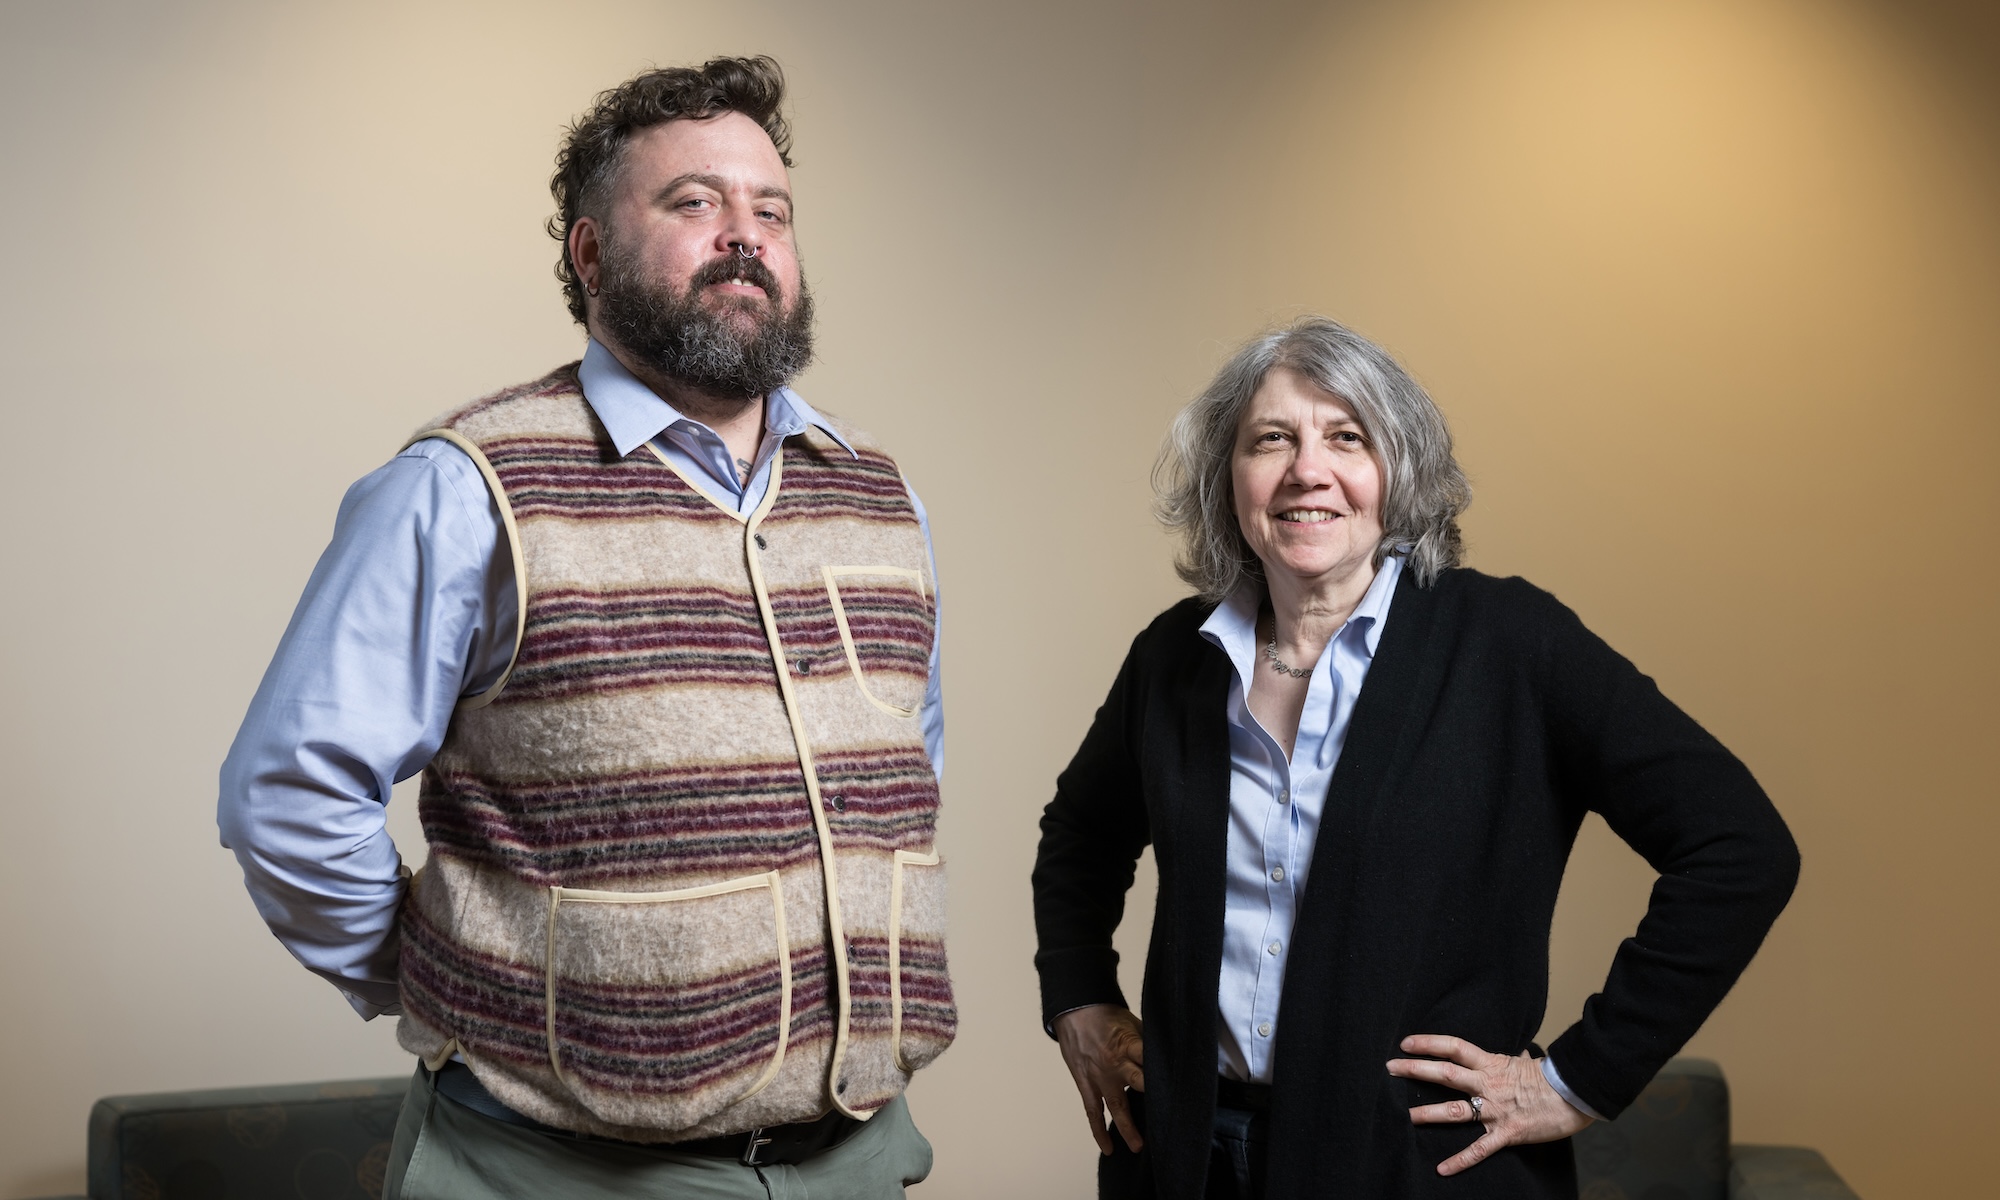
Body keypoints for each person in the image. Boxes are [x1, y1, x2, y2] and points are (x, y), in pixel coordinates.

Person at [218, 56, 952, 1199]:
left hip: (856, 1157)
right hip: (550, 1169)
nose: (743, 236)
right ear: (591, 252)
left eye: (770, 210)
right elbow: (290, 791)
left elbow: (901, 772)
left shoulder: (877, 493)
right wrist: (441, 984)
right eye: (693, 203)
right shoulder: (464, 487)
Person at [1030, 317, 1799, 1200]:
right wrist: (1080, 1000)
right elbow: (1079, 838)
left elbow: (1741, 847)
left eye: (1347, 438)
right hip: (1187, 1163)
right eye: (1270, 440)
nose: (1306, 470)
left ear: (1399, 473)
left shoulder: (1510, 644)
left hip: (1421, 1176)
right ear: (1228, 479)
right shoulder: (1174, 658)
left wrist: (1575, 1080)